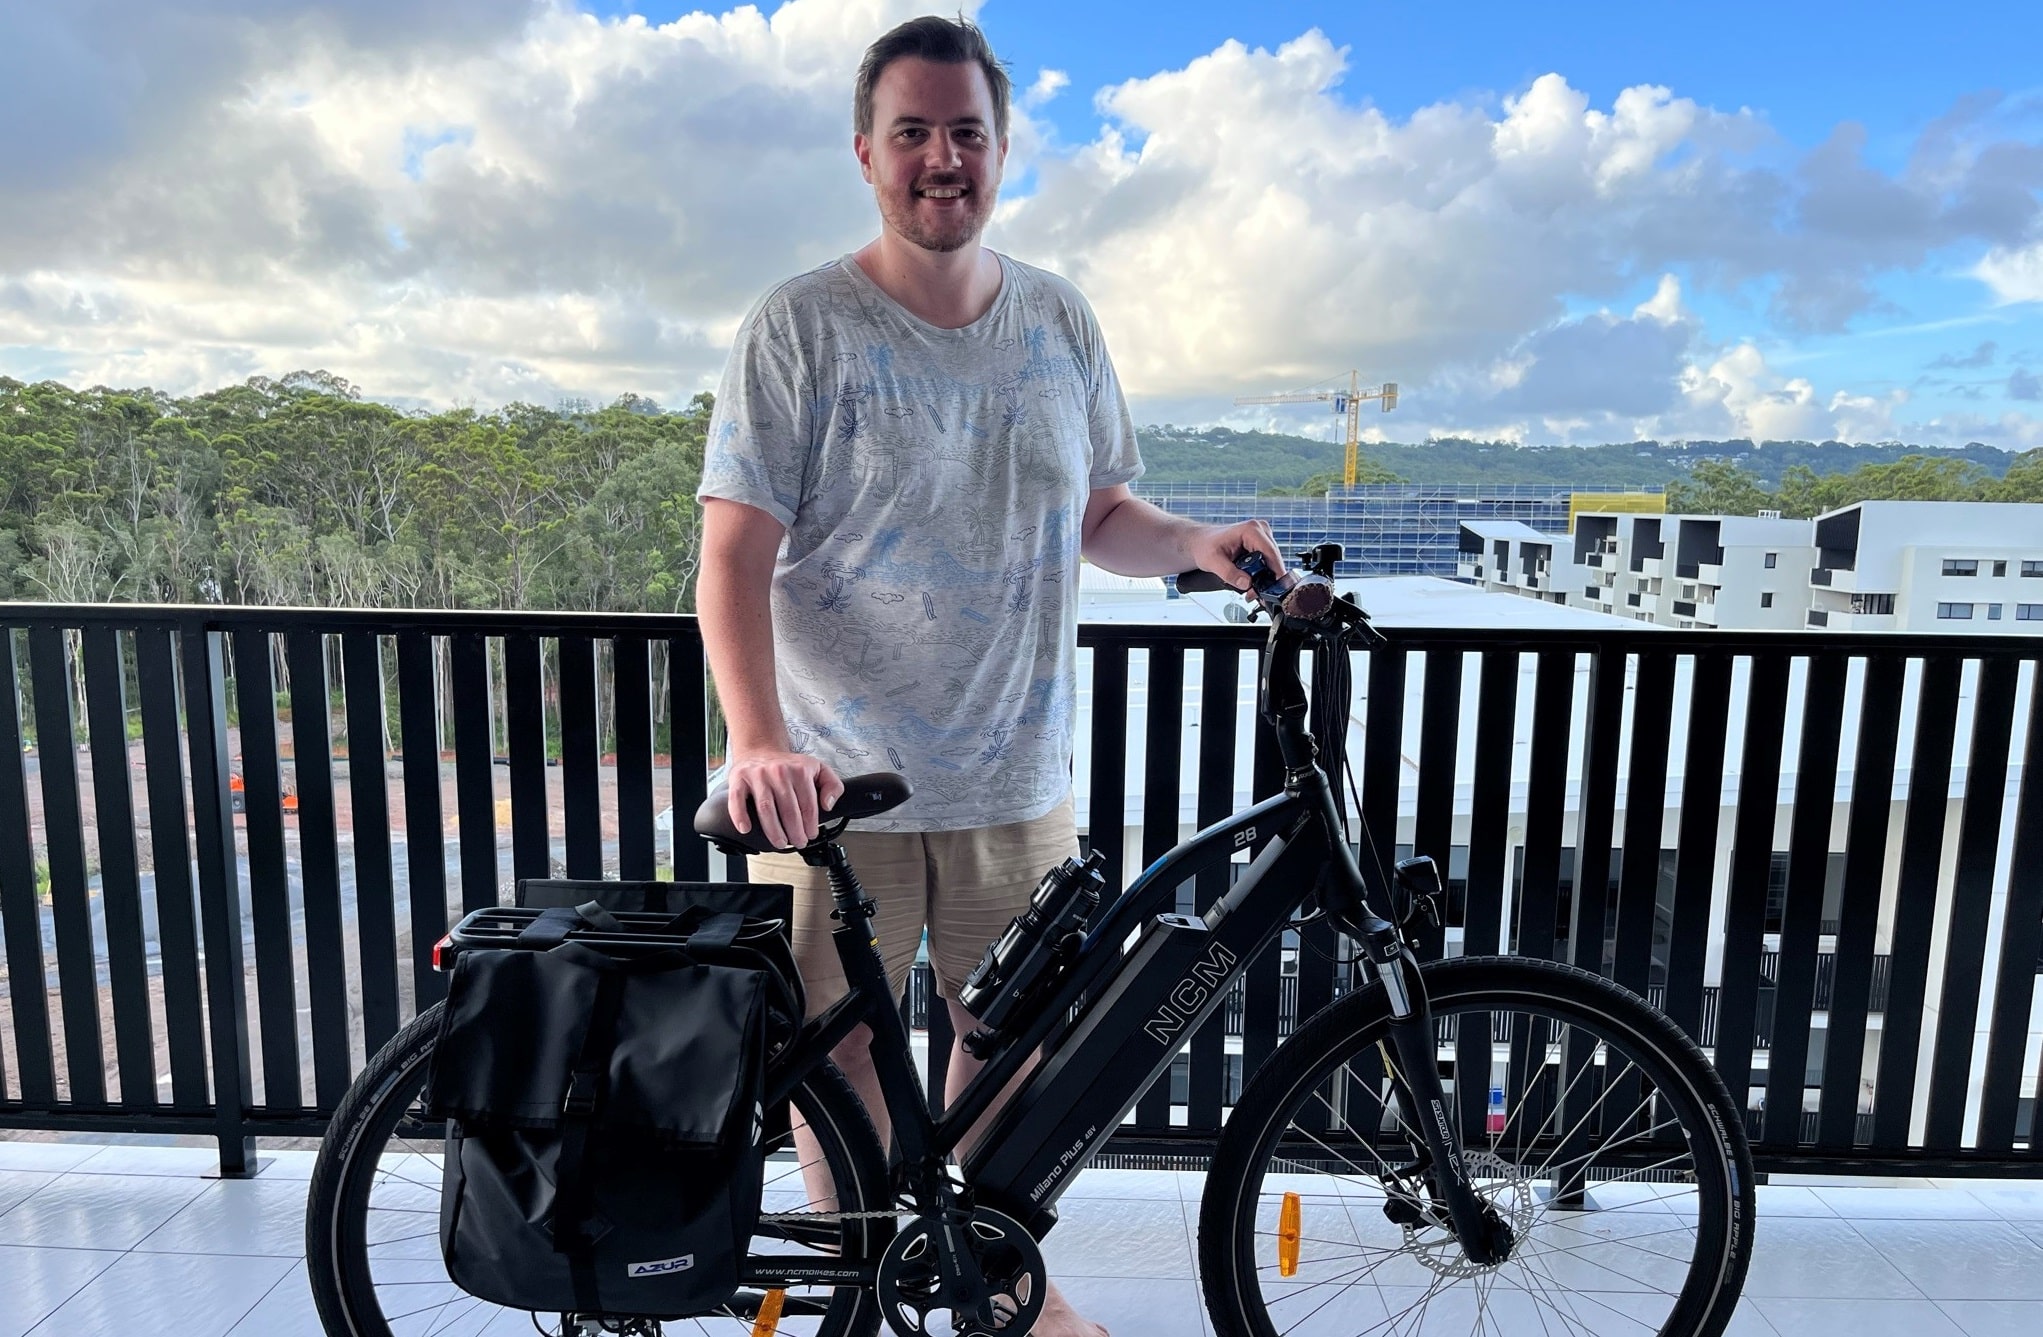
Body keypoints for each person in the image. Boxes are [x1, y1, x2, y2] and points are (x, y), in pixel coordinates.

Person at [695, 16, 1281, 1335]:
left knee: (1013, 1059)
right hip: (831, 789)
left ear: (1004, 150)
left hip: (1015, 779)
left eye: (967, 132)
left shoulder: (1060, 321)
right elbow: (732, 556)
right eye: (912, 132)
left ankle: (989, 1290)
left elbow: (1102, 512)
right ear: (866, 152)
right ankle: (868, 1298)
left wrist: (1192, 544)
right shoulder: (801, 326)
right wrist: (756, 738)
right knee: (840, 1064)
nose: (942, 158)